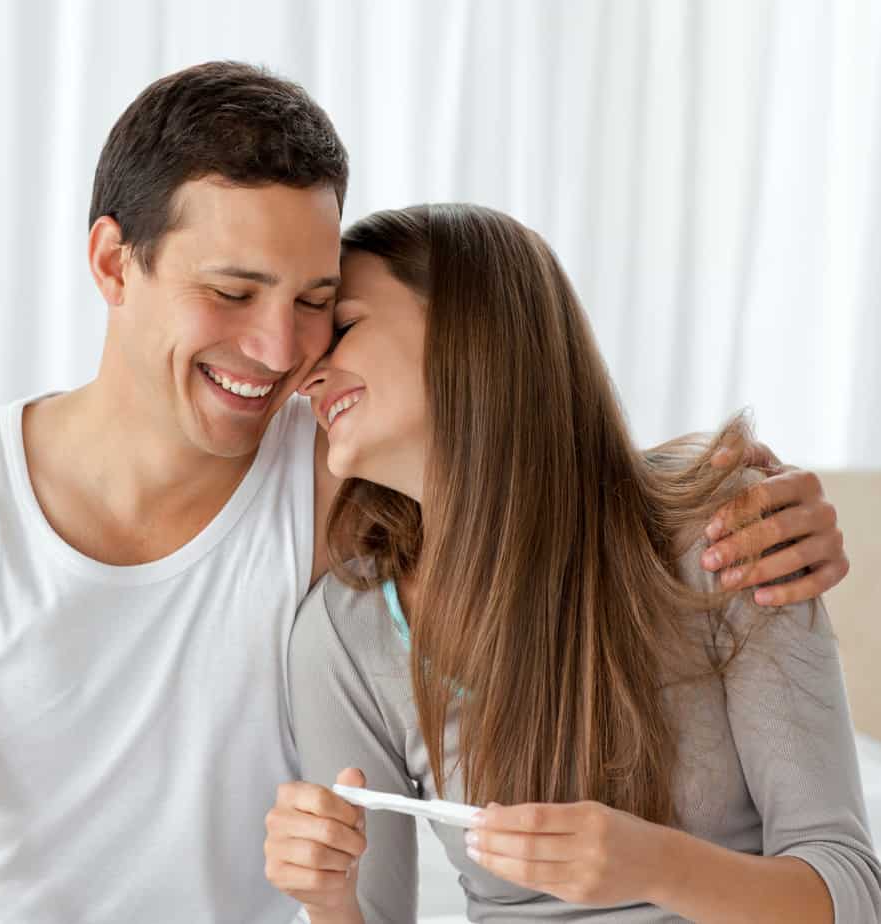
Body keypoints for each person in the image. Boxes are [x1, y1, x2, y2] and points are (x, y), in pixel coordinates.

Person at [0, 62, 851, 923]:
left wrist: (723, 492)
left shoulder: (336, 473)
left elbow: (519, 459)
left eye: (318, 303)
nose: (283, 352)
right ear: (112, 262)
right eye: (231, 292)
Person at [264, 203, 877, 923]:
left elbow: (850, 893)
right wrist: (330, 900)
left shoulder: (719, 534)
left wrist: (656, 866)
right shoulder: (342, 637)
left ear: (470, 326)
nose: (306, 378)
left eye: (343, 329)